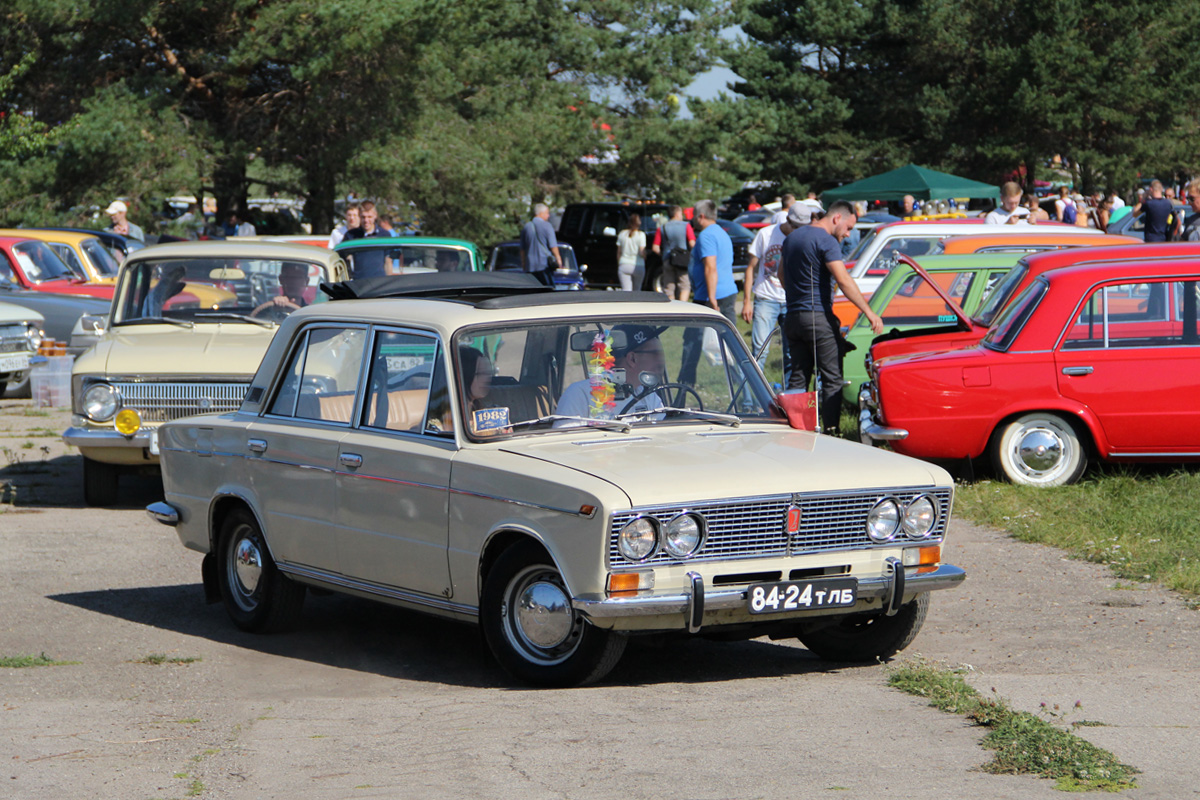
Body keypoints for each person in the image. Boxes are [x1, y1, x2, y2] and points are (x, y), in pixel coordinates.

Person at [780, 199, 883, 434]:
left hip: (793, 317)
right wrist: (869, 312)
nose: (847, 234)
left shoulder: (792, 238)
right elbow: (843, 279)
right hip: (817, 318)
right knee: (832, 379)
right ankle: (832, 432)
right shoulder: (826, 240)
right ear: (837, 218)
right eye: (848, 228)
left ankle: (797, 430)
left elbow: (781, 275)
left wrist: (797, 298)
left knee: (798, 378)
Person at [742, 204, 809, 382]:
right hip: (766, 298)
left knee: (791, 353)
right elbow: (750, 268)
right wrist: (747, 301)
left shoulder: (803, 236)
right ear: (789, 222)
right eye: (797, 227)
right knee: (760, 351)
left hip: (790, 300)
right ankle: (755, 400)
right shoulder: (766, 234)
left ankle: (788, 399)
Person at [554, 324, 667, 422]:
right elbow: (566, 443)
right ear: (632, 359)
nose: (661, 360)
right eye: (654, 354)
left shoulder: (649, 397)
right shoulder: (579, 395)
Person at [652, 205, 696, 300]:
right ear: (676, 214)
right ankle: (683, 308)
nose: (682, 215)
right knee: (684, 286)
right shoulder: (686, 226)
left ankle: (671, 308)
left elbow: (655, 247)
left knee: (669, 287)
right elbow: (692, 244)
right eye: (681, 213)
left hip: (668, 259)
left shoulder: (662, 228)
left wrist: (663, 254)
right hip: (683, 260)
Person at [342, 200, 393, 277]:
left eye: (369, 217)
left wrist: (388, 282)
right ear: (359, 216)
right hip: (358, 284)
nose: (366, 220)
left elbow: (388, 261)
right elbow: (344, 261)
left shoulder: (385, 235)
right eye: (363, 217)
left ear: (375, 215)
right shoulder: (351, 235)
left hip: (379, 283)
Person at [520, 203, 562, 287]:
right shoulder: (547, 226)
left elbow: (522, 250)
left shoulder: (526, 227)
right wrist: (558, 259)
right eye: (547, 213)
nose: (548, 216)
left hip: (530, 266)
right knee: (548, 289)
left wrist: (524, 264)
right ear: (541, 213)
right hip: (544, 266)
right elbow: (553, 246)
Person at [616, 213, 647, 291]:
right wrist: (645, 256)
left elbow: (619, 252)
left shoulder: (622, 233)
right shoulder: (641, 235)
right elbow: (641, 252)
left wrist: (619, 263)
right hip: (638, 265)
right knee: (637, 290)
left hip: (624, 264)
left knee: (626, 290)